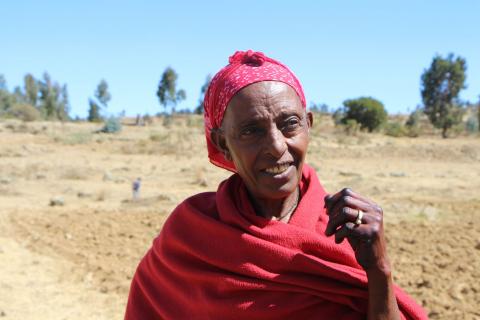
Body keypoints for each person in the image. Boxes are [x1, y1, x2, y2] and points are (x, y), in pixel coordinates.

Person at [125, 50, 427, 319]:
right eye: (251, 130)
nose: (276, 146)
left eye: (290, 123)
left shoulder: (346, 229)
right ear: (222, 143)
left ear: (308, 124)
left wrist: (378, 270)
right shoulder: (192, 234)